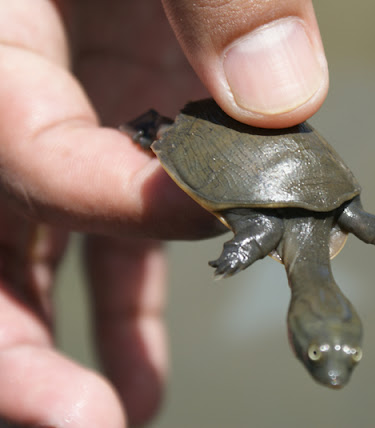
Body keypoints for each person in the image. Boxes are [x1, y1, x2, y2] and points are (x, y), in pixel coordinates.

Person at [0, 1, 329, 426]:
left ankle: (155, 129)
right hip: (220, 142)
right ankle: (152, 130)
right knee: (166, 142)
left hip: (231, 146)